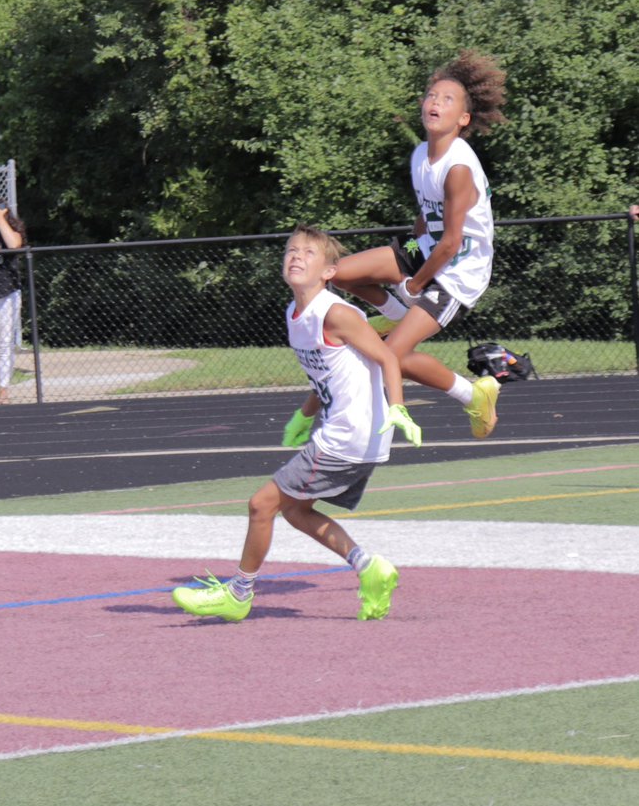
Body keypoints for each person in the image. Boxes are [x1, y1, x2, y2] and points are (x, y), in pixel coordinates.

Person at [172, 224, 422, 624]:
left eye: (308, 252)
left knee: (261, 505)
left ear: (329, 271)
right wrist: (305, 414)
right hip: (344, 434)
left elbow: (389, 358)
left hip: (348, 437)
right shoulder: (295, 314)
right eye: (291, 250)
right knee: (296, 510)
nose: (296, 256)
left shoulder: (337, 312)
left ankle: (238, 594)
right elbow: (325, 373)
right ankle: (369, 567)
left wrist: (398, 408)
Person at [332, 50, 507, 440]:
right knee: (339, 272)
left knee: (389, 357)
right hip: (429, 249)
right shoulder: (419, 155)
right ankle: (396, 313)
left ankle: (474, 395)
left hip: (457, 274)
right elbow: (426, 219)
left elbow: (452, 242)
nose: (435, 103)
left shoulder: (458, 168)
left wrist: (414, 285)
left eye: (447, 100)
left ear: (463, 119)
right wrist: (407, 257)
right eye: (431, 95)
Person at [0, 202, 26, 405]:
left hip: (8, 292)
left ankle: (4, 388)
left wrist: (0, 219)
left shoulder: (10, 230)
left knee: (5, 343)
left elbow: (14, 244)